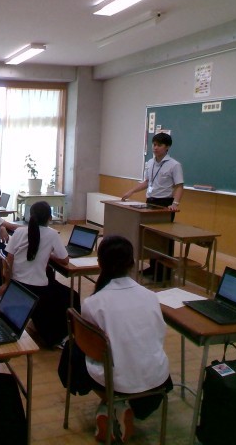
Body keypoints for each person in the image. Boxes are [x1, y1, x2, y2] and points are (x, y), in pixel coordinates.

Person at [80, 235, 172, 443]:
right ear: (132, 263)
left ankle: (114, 404)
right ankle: (118, 407)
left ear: (99, 263)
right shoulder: (151, 297)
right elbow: (159, 337)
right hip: (156, 382)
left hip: (116, 383)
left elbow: (89, 347)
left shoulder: (93, 303)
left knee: (75, 349)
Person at [4, 201, 80, 347]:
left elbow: (9, 259)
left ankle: (36, 325)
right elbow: (65, 260)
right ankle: (59, 337)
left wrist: (7, 283)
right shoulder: (52, 234)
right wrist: (49, 255)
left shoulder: (19, 232)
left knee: (52, 281)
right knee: (72, 296)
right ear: (49, 218)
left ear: (30, 216)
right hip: (37, 289)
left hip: (17, 284)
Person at [121, 132, 183, 278]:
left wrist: (175, 203)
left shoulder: (174, 165)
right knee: (151, 236)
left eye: (159, 145)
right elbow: (147, 182)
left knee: (163, 238)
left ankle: (164, 272)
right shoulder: (150, 163)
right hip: (150, 202)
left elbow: (179, 186)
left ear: (167, 147)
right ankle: (153, 268)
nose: (155, 147)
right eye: (154, 144)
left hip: (165, 204)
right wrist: (131, 192)